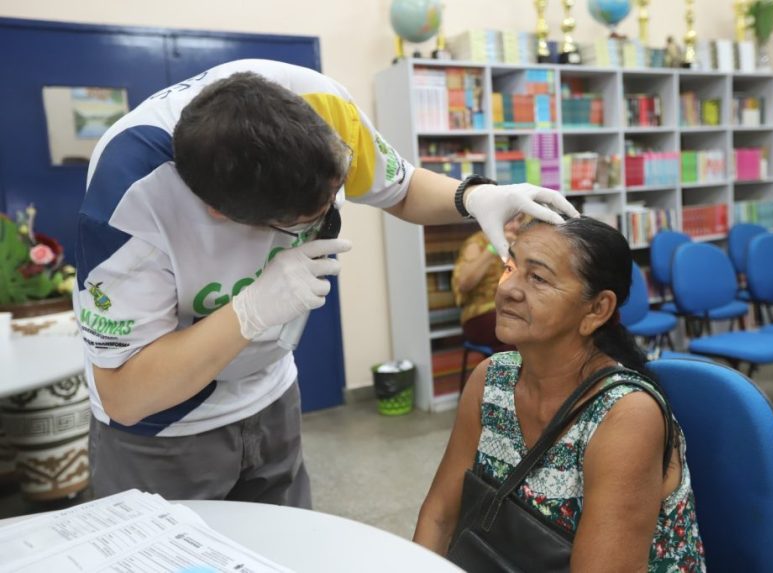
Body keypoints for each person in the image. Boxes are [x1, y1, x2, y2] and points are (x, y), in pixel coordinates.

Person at [73, 59, 577, 507]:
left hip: (271, 394)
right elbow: (125, 394)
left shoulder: (318, 103)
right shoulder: (130, 195)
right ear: (221, 214)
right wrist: (248, 312)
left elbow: (401, 189)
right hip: (164, 430)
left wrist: (474, 197)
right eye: (303, 222)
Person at [414, 218, 706, 571]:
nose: (507, 289)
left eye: (537, 278)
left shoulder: (625, 416)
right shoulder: (490, 379)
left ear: (597, 309)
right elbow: (440, 516)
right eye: (510, 268)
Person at [452, 214, 525, 352]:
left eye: (519, 220)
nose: (515, 226)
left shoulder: (520, 243)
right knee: (518, 335)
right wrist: (493, 248)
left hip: (512, 309)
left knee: (536, 331)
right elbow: (464, 283)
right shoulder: (477, 243)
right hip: (480, 315)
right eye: (510, 220)